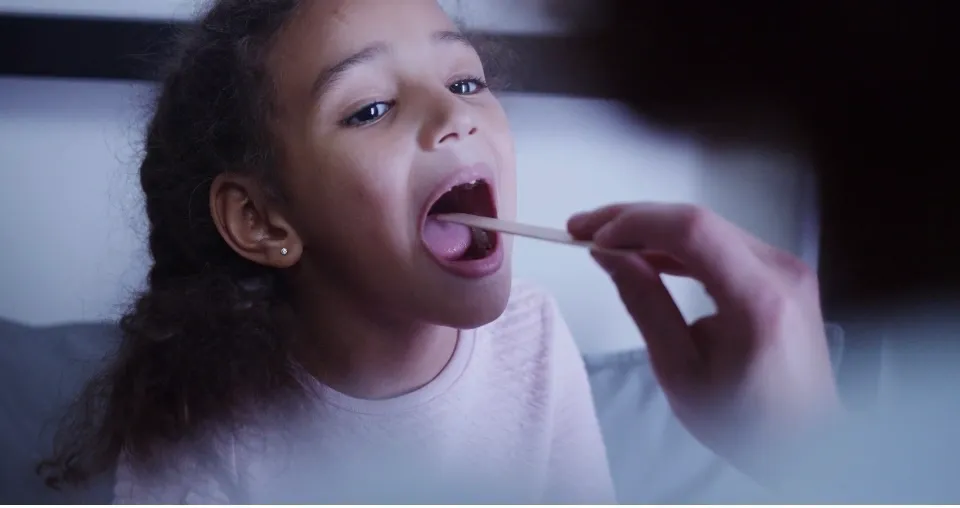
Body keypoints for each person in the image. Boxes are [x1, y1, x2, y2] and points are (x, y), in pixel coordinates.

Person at [38, 0, 615, 503]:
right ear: (262, 220)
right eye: (371, 109)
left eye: (464, 83)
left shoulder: (534, 337)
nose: (454, 117)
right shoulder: (201, 421)